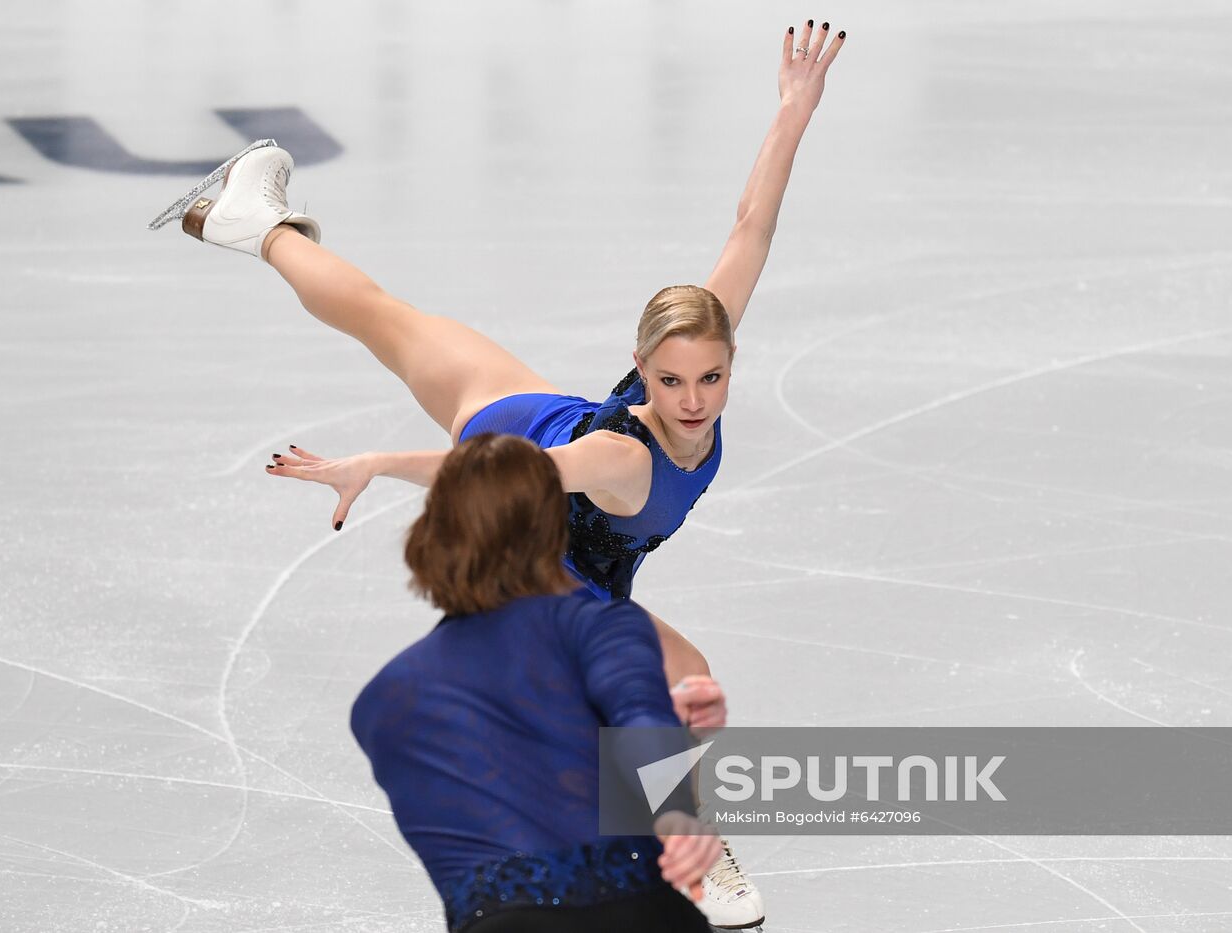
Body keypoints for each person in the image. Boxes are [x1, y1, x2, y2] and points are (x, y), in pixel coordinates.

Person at [152, 19, 845, 926]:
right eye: (669, 380)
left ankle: (252, 218)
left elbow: (752, 226)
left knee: (383, 316)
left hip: (520, 407)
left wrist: (794, 109)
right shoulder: (620, 454)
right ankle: (696, 857)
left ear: (727, 358)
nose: (693, 399)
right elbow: (497, 477)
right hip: (530, 495)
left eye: (710, 376)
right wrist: (377, 463)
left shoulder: (695, 352)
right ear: (640, 368)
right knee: (679, 672)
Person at [350, 433, 725, 932]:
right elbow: (638, 717)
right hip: (637, 912)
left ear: (435, 530)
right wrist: (675, 814)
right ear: (554, 527)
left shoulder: (381, 703)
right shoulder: (602, 626)